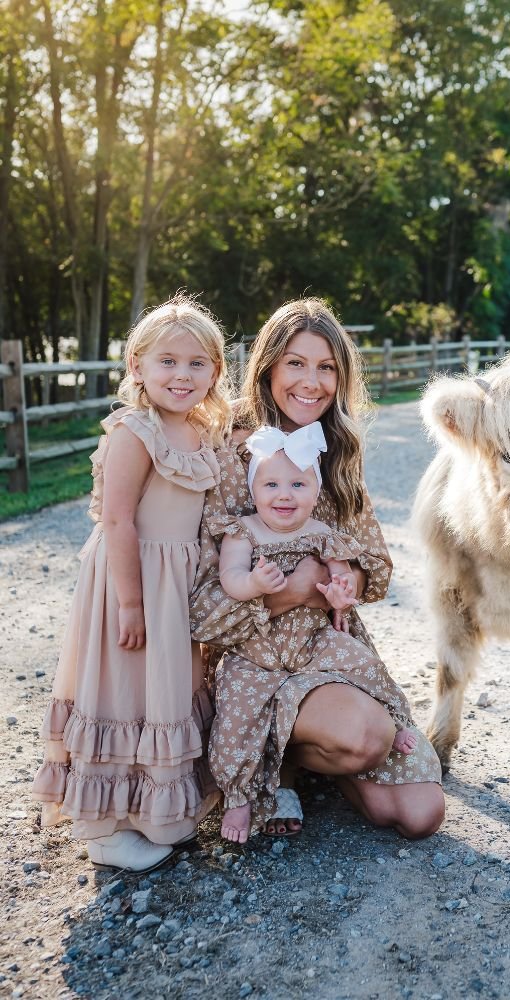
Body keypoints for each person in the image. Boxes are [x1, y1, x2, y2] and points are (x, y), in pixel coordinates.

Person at [190, 297, 444, 841]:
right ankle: (279, 765)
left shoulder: (337, 448)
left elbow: (376, 561)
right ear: (268, 369)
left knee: (419, 814)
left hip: (323, 649)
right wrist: (295, 588)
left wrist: (346, 577)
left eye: (326, 367)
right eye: (296, 364)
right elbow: (200, 606)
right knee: (364, 736)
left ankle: (300, 758)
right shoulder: (231, 450)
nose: (312, 381)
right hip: (253, 654)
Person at [32, 295, 232, 872]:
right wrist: (130, 601)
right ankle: (106, 828)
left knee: (162, 693)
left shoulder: (199, 430)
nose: (182, 375)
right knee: (123, 689)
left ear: (215, 373)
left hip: (174, 588)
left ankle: (156, 809)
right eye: (167, 361)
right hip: (132, 579)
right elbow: (117, 519)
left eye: (197, 364)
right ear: (137, 367)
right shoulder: (135, 430)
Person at [212, 422, 417, 843]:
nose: (284, 494)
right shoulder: (243, 531)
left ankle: (398, 720)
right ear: (253, 489)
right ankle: (239, 796)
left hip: (311, 640)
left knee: (362, 660)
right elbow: (230, 578)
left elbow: (344, 579)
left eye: (298, 485)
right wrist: (255, 585)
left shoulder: (321, 534)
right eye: (270, 484)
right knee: (235, 712)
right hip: (256, 649)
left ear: (315, 491)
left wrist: (339, 593)